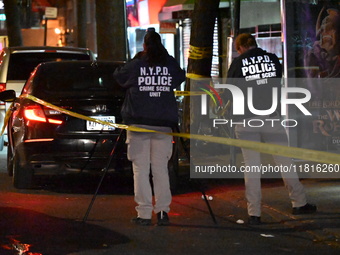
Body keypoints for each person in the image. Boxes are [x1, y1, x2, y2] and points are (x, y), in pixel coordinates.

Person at [226, 33, 317, 225]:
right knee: (285, 161)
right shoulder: (272, 59)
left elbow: (229, 91)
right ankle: (299, 202)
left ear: (241, 47)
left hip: (245, 119)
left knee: (252, 166)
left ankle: (254, 213)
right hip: (271, 117)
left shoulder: (238, 64)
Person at [113, 30, 185, 226]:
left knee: (140, 170)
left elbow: (118, 76)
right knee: (161, 169)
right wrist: (166, 58)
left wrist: (137, 59)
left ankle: (144, 213)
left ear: (144, 46)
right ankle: (162, 211)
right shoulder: (168, 64)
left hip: (138, 125)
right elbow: (180, 76)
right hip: (162, 125)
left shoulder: (137, 64)